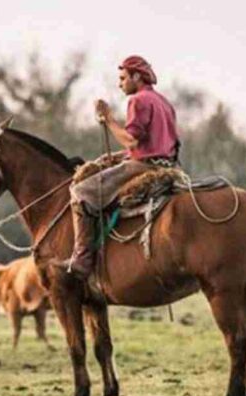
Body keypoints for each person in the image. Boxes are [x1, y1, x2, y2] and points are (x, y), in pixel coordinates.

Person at [62, 55, 180, 278]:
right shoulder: (164, 102)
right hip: (169, 165)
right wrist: (118, 157)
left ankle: (82, 258)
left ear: (136, 76)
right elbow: (153, 143)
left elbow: (132, 140)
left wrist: (108, 119)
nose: (120, 83)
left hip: (144, 168)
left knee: (80, 192)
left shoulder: (138, 100)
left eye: (123, 78)